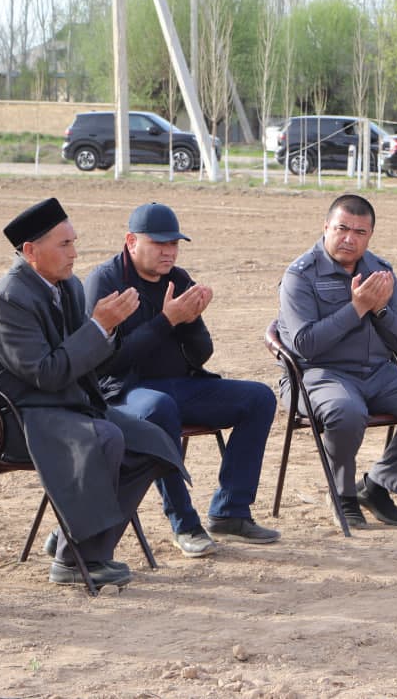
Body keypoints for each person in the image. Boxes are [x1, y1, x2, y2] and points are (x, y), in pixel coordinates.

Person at [0, 198, 183, 589]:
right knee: (106, 437)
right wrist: (98, 327)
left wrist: (107, 330)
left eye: (73, 242)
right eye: (64, 244)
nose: (74, 253)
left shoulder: (66, 286)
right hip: (13, 418)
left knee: (151, 442)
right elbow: (46, 373)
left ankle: (79, 542)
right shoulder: (8, 299)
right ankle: (75, 561)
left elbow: (87, 361)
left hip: (60, 407)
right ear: (30, 251)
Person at [85, 202, 279, 556]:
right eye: (159, 243)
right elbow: (106, 364)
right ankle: (185, 524)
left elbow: (201, 354)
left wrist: (191, 320)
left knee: (259, 398)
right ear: (131, 241)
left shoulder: (178, 279)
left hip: (179, 385)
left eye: (173, 243)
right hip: (124, 392)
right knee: (160, 408)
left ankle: (231, 512)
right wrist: (166, 321)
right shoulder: (106, 281)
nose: (168, 252)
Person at [276, 194, 397, 529]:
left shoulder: (380, 271)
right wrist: (357, 308)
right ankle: (342, 492)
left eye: (359, 232)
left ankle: (377, 486)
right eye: (341, 229)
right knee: (346, 411)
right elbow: (305, 345)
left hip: (377, 372)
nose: (349, 239)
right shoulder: (301, 275)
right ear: (326, 227)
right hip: (318, 375)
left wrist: (380, 310)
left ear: (370, 236)